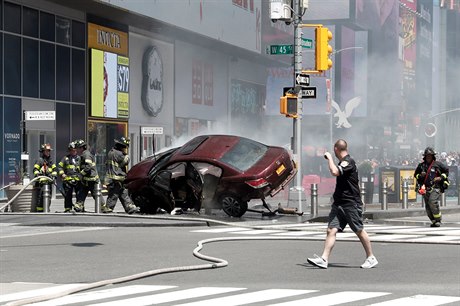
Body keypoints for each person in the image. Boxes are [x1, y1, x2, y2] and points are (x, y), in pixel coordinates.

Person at [307, 139, 378, 269]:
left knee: (359, 230)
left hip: (350, 203)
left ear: (335, 149)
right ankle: (324, 259)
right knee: (331, 230)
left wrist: (329, 158)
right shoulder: (343, 161)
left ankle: (371, 257)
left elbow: (335, 172)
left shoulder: (348, 161)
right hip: (339, 203)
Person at [414, 147, 450, 227]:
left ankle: (438, 219)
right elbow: (415, 175)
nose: (428, 157)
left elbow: (446, 171)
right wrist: (420, 175)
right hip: (425, 188)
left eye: (430, 155)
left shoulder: (438, 164)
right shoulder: (421, 166)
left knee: (432, 201)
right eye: (427, 156)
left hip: (436, 187)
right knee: (427, 205)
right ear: (425, 156)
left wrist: (440, 177)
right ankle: (433, 220)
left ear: (433, 156)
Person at [104, 137, 140, 214]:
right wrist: (126, 156)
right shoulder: (119, 154)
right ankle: (108, 208)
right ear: (122, 146)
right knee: (114, 194)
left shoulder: (111, 152)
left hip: (114, 177)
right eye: (125, 147)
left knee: (123, 192)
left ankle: (129, 207)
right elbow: (126, 161)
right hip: (117, 178)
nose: (125, 149)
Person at [74, 139, 110, 213]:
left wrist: (81, 174)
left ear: (81, 148)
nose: (76, 150)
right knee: (81, 193)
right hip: (86, 180)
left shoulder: (86, 154)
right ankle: (79, 205)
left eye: (77, 148)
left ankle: (103, 207)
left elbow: (88, 166)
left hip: (92, 180)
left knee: (96, 194)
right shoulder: (82, 155)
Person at [57, 141, 82, 213]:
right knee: (68, 195)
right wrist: (62, 174)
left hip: (78, 181)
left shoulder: (80, 159)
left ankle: (79, 207)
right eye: (72, 150)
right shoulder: (65, 158)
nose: (73, 151)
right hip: (68, 181)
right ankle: (68, 208)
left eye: (75, 150)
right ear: (69, 150)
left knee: (79, 195)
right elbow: (60, 167)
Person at [32, 143, 58, 212]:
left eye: (49, 151)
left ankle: (47, 210)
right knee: (40, 199)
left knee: (48, 198)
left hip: (48, 183)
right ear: (43, 151)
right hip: (41, 184)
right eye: (47, 151)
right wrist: (39, 174)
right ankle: (40, 211)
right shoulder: (40, 160)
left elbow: (55, 170)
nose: (48, 152)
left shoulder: (51, 161)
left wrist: (54, 175)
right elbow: (35, 170)